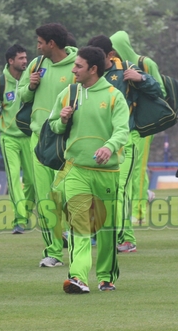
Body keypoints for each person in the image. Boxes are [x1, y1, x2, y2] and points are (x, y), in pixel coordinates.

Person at [48, 46, 130, 293]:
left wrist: (109, 147)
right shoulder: (68, 93)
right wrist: (61, 120)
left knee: (106, 230)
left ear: (93, 69)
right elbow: (52, 126)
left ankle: (106, 277)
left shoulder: (115, 96)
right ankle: (78, 277)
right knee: (79, 226)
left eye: (78, 66)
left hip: (106, 173)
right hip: (76, 170)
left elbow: (122, 131)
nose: (73, 69)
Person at [87, 35, 163, 253]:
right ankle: (108, 233)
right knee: (100, 190)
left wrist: (141, 79)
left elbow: (158, 92)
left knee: (119, 190)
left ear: (110, 55)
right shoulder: (91, 74)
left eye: (97, 56)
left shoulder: (126, 70)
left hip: (127, 140)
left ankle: (122, 238)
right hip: (99, 141)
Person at [18, 23, 78, 267]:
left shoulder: (77, 66)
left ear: (52, 44)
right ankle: (53, 252)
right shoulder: (36, 65)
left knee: (65, 194)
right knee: (45, 198)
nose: (37, 46)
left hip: (67, 140)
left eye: (40, 42)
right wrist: (30, 85)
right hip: (39, 139)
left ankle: (74, 239)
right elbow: (22, 95)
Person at [110, 31, 166, 244]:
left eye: (113, 47)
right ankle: (136, 206)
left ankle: (139, 212)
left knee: (139, 168)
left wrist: (140, 79)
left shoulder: (145, 63)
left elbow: (159, 90)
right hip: (125, 126)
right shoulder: (114, 68)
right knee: (129, 173)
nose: (111, 51)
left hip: (142, 124)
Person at [0, 44, 35, 234]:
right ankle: (20, 220)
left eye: (25, 57)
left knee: (32, 181)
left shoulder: (33, 79)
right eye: (20, 58)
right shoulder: (0, 84)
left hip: (29, 137)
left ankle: (25, 214)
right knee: (13, 177)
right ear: (10, 61)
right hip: (8, 138)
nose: (25, 61)